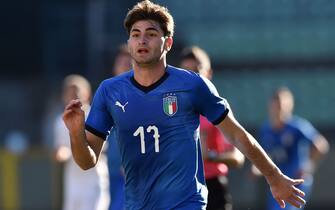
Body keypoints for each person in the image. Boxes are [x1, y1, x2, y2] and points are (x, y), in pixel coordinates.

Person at [62, 1, 306, 209]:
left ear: (167, 43)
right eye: (135, 34)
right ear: (129, 43)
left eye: (151, 33)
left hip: (187, 203)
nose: (142, 40)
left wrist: (274, 176)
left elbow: (237, 135)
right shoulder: (109, 90)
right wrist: (75, 133)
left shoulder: (192, 85)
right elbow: (87, 161)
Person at [180, 46, 245, 210]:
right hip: (181, 188)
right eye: (186, 71)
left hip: (213, 187)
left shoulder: (217, 111)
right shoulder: (172, 111)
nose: (192, 77)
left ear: (209, 73)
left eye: (197, 70)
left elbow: (238, 157)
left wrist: (210, 155)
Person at [252, 86, 329, 210]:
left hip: (296, 181)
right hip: (277, 180)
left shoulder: (297, 126)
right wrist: (257, 168)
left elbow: (321, 145)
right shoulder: (266, 129)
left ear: (290, 106)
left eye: (282, 105)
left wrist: (308, 166)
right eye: (276, 104)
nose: (279, 109)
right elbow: (266, 153)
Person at [53, 74, 109, 210]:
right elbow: (61, 148)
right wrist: (62, 153)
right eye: (69, 92)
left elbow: (102, 147)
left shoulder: (96, 116)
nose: (73, 95)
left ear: (87, 93)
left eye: (77, 91)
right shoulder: (60, 121)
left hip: (94, 180)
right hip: (73, 183)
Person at [106, 44, 132, 210]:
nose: (123, 66)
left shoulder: (141, 97)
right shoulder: (107, 95)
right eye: (120, 63)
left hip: (129, 173)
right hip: (107, 172)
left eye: (127, 63)